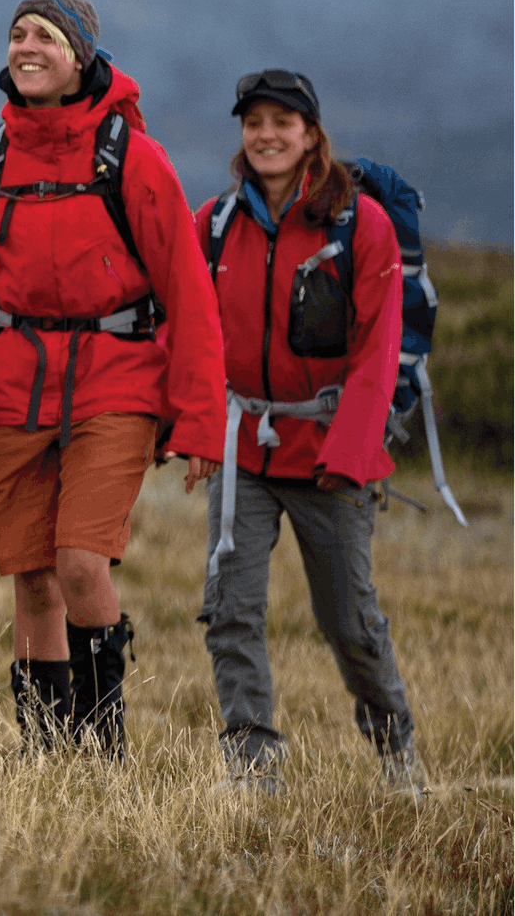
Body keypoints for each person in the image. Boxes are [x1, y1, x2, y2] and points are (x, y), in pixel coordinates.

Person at [0, 0, 225, 757]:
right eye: (17, 34)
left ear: (80, 57)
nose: (27, 48)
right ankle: (48, 753)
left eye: (46, 36)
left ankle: (102, 745)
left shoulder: (134, 162)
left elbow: (189, 296)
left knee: (82, 564)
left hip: (118, 383)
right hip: (17, 388)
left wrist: (200, 424)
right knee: (34, 576)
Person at [195, 70, 424, 794]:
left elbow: (378, 350)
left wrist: (351, 454)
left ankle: (396, 752)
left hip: (332, 456)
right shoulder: (215, 223)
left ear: (312, 134)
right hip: (244, 453)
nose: (266, 135)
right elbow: (196, 338)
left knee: (350, 622)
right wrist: (200, 433)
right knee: (230, 612)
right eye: (253, 121)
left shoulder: (363, 226)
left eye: (282, 122)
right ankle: (253, 769)